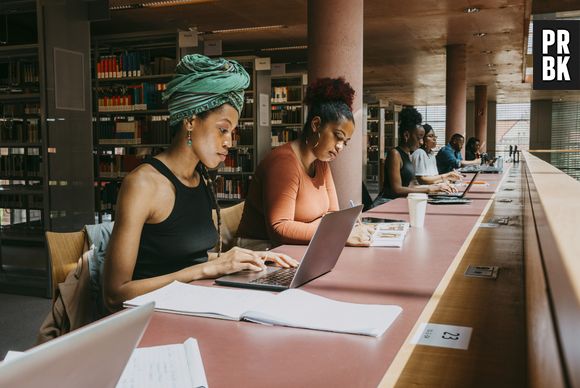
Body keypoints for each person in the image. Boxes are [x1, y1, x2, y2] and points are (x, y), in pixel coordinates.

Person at [103, 54, 297, 311]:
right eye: (223, 129)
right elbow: (115, 294)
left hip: (193, 305)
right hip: (151, 317)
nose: (229, 142)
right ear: (191, 121)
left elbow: (186, 257)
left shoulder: (201, 178)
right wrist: (206, 268)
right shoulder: (143, 184)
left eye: (233, 132)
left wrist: (241, 259)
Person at [237, 77, 373, 247]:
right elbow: (279, 228)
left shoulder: (321, 162)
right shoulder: (283, 164)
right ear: (316, 125)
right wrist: (339, 234)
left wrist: (333, 229)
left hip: (296, 247)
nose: (340, 147)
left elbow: (332, 213)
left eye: (345, 142)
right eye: (338, 136)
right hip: (261, 251)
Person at [378, 107, 453, 201]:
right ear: (406, 135)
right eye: (419, 138)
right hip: (386, 202)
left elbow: (409, 185)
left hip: (399, 200)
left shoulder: (408, 154)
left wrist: (437, 186)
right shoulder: (395, 154)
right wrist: (429, 189)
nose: (421, 142)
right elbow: (397, 189)